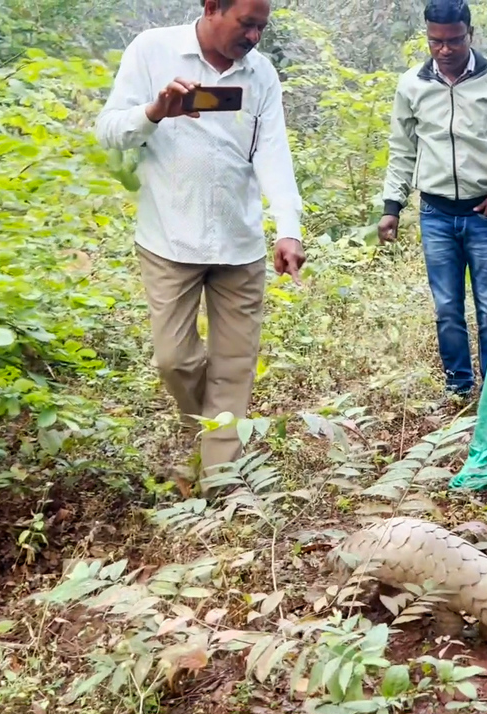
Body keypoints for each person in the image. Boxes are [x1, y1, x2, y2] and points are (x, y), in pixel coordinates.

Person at [96, 0, 304, 475]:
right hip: (169, 238)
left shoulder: (260, 73)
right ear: (212, 7)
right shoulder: (153, 50)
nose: (253, 37)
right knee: (174, 360)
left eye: (261, 28)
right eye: (246, 24)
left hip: (239, 240)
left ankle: (219, 481)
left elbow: (273, 152)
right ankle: (213, 433)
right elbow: (109, 131)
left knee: (234, 366)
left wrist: (288, 229)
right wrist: (154, 112)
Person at [378, 0, 487, 398]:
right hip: (435, 213)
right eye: (435, 41)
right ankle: (459, 388)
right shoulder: (411, 84)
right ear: (427, 37)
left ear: (470, 34)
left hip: (485, 212)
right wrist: (391, 207)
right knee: (447, 308)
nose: (445, 49)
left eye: (453, 40)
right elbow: (402, 150)